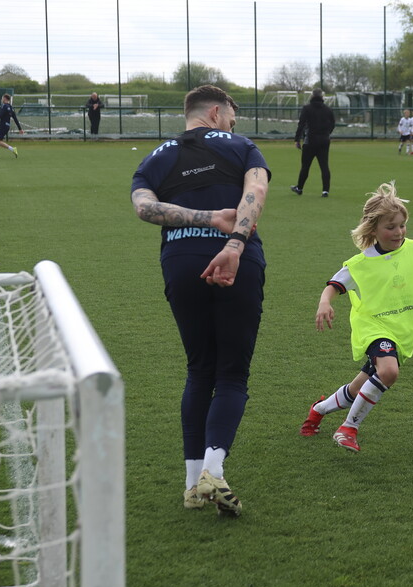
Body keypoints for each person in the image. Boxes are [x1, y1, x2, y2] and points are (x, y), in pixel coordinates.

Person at [130, 85, 271, 517]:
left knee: (199, 369)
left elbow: (143, 206)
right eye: (232, 112)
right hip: (238, 257)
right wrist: (232, 243)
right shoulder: (243, 147)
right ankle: (214, 469)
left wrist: (201, 219)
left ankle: (193, 485)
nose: (234, 120)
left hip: (180, 259)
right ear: (216, 110)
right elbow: (256, 193)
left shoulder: (156, 158)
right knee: (231, 373)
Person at [298, 182, 413, 452]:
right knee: (389, 372)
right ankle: (348, 429)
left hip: (402, 332)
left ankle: (317, 411)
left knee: (358, 389)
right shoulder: (361, 263)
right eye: (390, 227)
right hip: (373, 328)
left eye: (402, 225)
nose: (398, 232)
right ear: (373, 230)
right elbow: (334, 285)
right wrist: (324, 302)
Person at [291, 88, 335, 198]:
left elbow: (301, 124)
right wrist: (326, 133)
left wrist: (297, 139)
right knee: (324, 166)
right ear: (322, 97)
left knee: (305, 166)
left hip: (310, 141)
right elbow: (333, 124)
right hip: (324, 141)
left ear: (312, 96)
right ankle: (325, 191)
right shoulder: (328, 109)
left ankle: (299, 188)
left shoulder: (307, 109)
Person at [0, 94, 23, 159]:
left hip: (3, 126)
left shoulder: (4, 106)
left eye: (2, 98)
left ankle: (13, 149)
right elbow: (15, 119)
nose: (1, 99)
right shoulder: (11, 107)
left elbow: (0, 116)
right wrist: (20, 129)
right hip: (6, 126)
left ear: (5, 99)